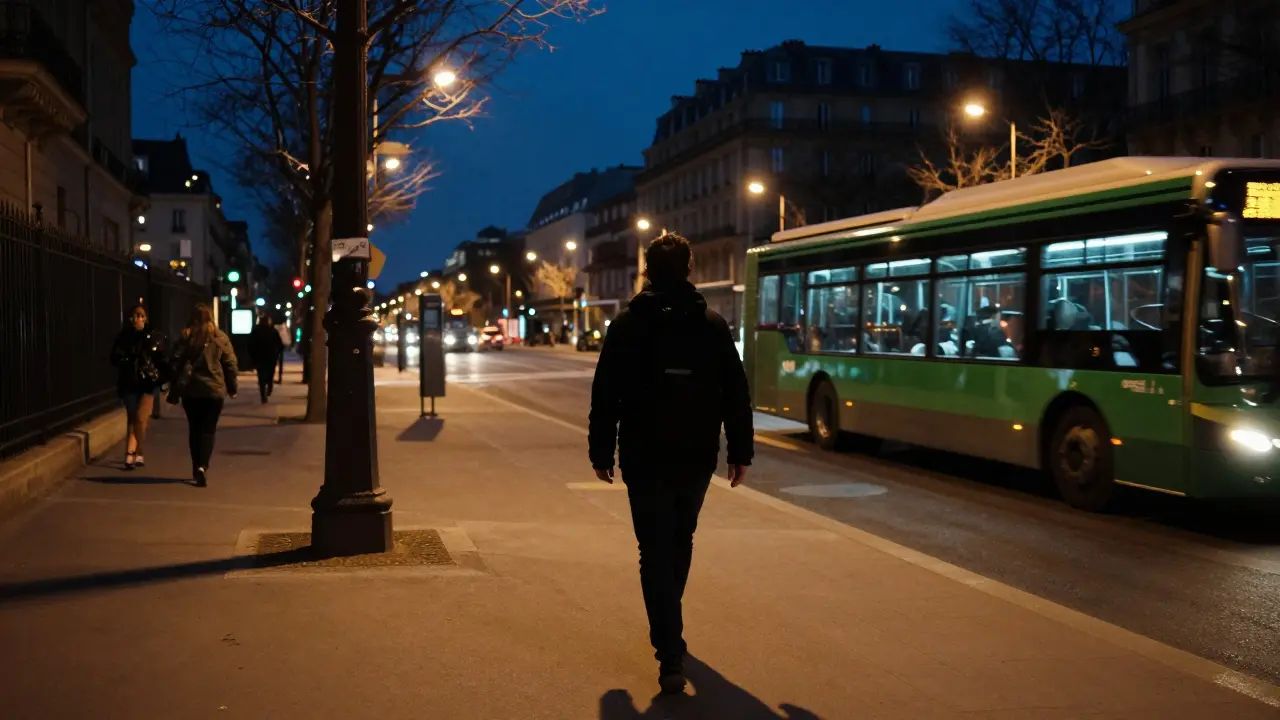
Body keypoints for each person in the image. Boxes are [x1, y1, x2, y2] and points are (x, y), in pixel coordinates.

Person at [588, 232, 754, 695]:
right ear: (689, 270)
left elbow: (605, 395)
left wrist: (601, 452)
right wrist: (740, 452)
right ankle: (669, 628)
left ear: (646, 271)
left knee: (653, 549)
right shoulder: (713, 326)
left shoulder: (625, 326)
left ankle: (668, 648)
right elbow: (736, 394)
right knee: (680, 539)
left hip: (643, 455)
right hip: (696, 454)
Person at [170, 304, 237, 487]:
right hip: (214, 391)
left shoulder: (186, 337)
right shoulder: (220, 338)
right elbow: (230, 364)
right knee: (208, 430)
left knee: (194, 429)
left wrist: (174, 384)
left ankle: (195, 467)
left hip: (191, 391)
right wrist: (232, 387)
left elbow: (174, 361)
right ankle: (203, 466)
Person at [109, 305, 168, 470]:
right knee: (132, 417)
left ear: (146, 318)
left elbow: (161, 358)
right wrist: (127, 359)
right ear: (131, 319)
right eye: (136, 316)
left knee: (141, 418)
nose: (139, 319)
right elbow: (114, 357)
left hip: (148, 384)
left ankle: (131, 452)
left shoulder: (153, 335)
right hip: (129, 382)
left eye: (142, 316)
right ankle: (136, 452)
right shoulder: (124, 337)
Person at [248, 314, 284, 403]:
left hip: (259, 357)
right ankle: (270, 387)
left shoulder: (255, 331)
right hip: (271, 356)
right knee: (270, 374)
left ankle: (263, 394)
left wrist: (252, 356)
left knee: (261, 377)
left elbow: (250, 344)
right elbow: (280, 345)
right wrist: (278, 353)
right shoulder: (273, 331)